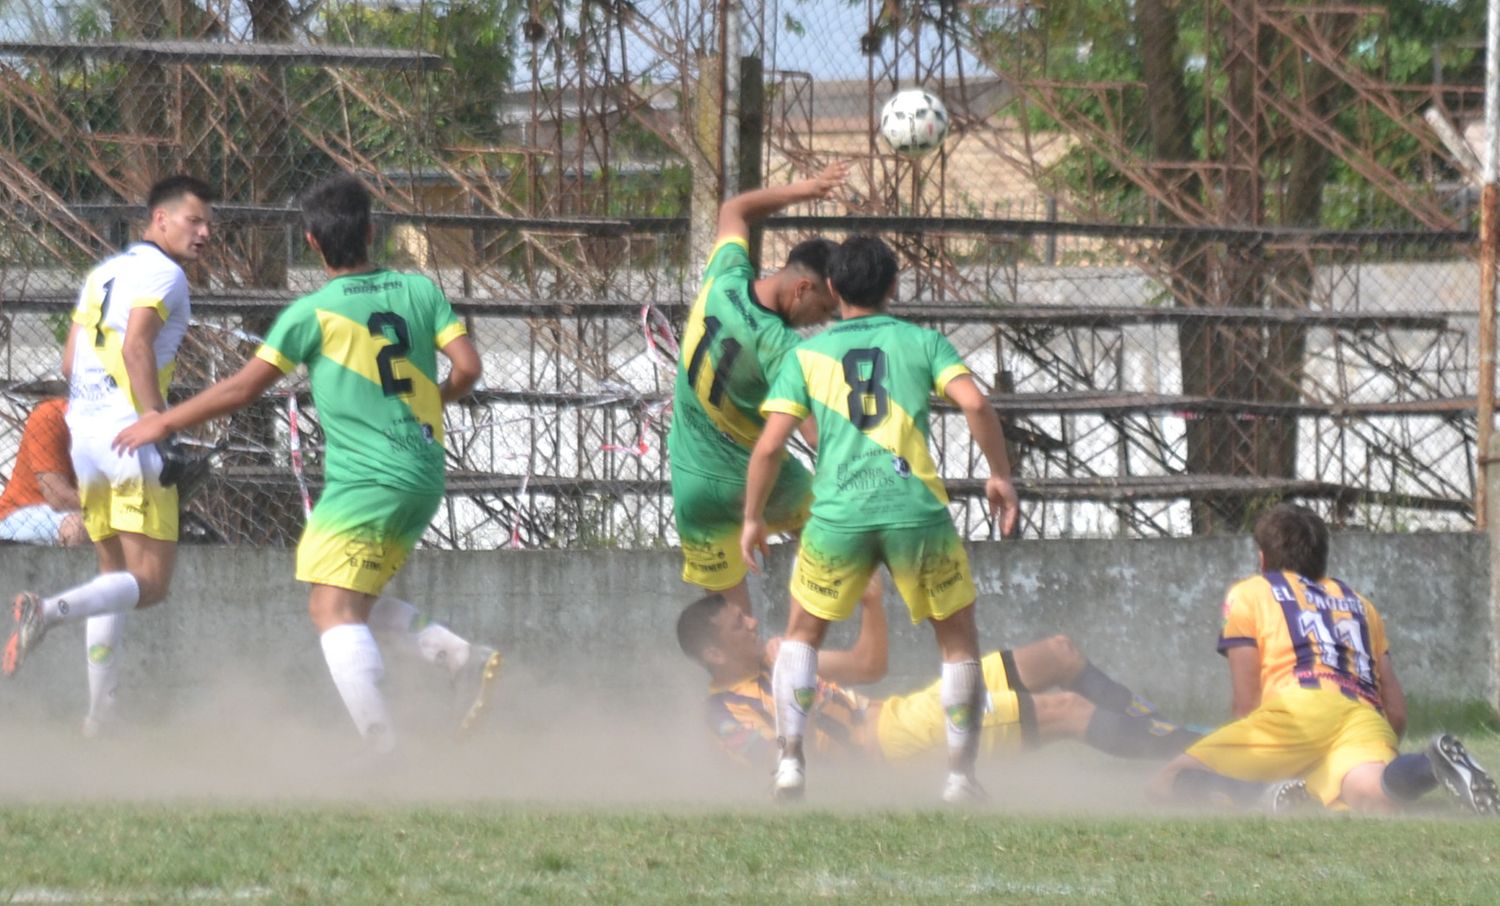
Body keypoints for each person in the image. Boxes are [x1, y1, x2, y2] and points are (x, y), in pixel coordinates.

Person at [112, 173, 501, 752]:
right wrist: (434, 400)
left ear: (312, 243)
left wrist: (162, 420)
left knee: (331, 610)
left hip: (367, 481)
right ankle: (456, 655)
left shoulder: (311, 313)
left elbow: (243, 389)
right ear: (372, 232)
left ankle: (385, 743)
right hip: (421, 474)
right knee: (347, 602)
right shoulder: (420, 292)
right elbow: (467, 368)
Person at [742, 234, 1022, 804]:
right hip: (913, 512)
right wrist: (999, 475)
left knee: (802, 637)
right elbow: (975, 403)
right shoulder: (923, 342)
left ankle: (790, 765)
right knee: (957, 640)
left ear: (835, 288)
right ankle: (960, 778)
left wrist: (752, 518)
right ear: (894, 287)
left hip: (838, 516)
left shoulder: (805, 356)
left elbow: (770, 447)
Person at [5, 176, 213, 740]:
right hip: (131, 434)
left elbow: (72, 363)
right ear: (159, 219)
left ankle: (101, 719)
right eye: (194, 221)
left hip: (87, 434)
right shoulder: (164, 273)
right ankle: (47, 612)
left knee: (114, 575)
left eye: (208, 223)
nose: (205, 233)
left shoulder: (101, 273)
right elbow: (136, 344)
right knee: (151, 582)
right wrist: (158, 424)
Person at [1150, 503, 1496, 815]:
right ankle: (1428, 765)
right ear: (1322, 558)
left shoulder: (1251, 591)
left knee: (1169, 780)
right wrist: (1379, 745)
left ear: (1262, 559)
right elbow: (1397, 710)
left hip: (1297, 710)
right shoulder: (1360, 603)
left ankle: (1262, 794)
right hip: (1362, 714)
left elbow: (1246, 702)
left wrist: (1271, 757)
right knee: (1373, 792)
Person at [677, 589, 1200, 773]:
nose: (751, 622)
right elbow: (785, 769)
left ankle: (1175, 739)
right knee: (1065, 711)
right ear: (712, 652)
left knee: (1058, 654)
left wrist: (872, 604)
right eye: (736, 625)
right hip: (895, 747)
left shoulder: (776, 664)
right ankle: (1204, 757)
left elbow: (868, 666)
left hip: (905, 714)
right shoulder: (723, 714)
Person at [668, 161, 849, 616]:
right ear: (803, 288)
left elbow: (736, 209)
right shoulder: (783, 349)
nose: (821, 323)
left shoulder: (724, 277)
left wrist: (807, 190)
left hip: (691, 483)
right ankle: (802, 662)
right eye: (824, 310)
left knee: (733, 631)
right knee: (842, 547)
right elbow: (814, 437)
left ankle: (752, 680)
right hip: (756, 483)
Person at [0, 398, 86, 547]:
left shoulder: (126, 425)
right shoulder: (51, 415)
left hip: (89, 509)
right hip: (21, 513)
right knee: (79, 527)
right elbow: (59, 498)